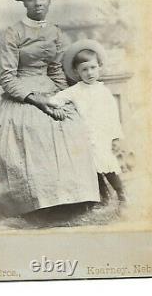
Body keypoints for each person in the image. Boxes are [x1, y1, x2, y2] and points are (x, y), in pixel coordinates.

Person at [0, 0, 100, 218]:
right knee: (34, 128)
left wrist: (63, 98)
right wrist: (37, 100)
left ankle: (73, 198)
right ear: (24, 2)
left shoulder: (56, 32)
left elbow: (56, 69)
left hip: (51, 89)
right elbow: (6, 77)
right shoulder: (12, 33)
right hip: (22, 92)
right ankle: (38, 203)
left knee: (72, 123)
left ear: (49, 1)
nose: (38, 3)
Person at [46, 39, 126, 205]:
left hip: (102, 135)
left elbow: (112, 116)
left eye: (93, 68)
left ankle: (121, 193)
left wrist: (115, 137)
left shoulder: (103, 91)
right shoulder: (76, 91)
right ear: (77, 72)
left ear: (99, 67)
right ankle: (103, 198)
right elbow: (58, 99)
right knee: (92, 168)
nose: (89, 73)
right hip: (86, 135)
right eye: (84, 70)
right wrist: (50, 103)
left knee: (107, 164)